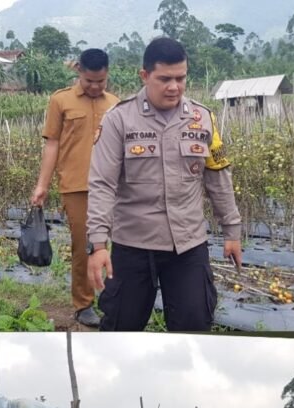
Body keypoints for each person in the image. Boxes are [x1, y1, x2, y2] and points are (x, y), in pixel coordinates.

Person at [86, 37, 242, 332]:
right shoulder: (119, 120)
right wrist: (97, 244)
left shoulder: (203, 118)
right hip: (133, 244)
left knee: (194, 325)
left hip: (188, 245)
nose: (174, 87)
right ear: (144, 76)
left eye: (181, 78)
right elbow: (102, 184)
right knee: (121, 326)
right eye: (165, 79)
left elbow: (218, 177)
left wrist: (232, 231)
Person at [30, 49, 120, 327]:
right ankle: (83, 304)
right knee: (85, 246)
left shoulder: (116, 104)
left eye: (101, 81)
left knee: (117, 247)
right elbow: (52, 143)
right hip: (76, 186)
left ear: (107, 75)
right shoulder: (61, 100)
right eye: (90, 80)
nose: (95, 87)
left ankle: (113, 300)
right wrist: (42, 185)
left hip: (114, 187)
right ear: (79, 71)